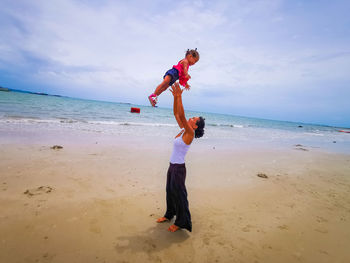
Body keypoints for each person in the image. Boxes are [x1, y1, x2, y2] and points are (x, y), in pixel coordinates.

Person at [156, 81, 205, 232]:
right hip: (172, 166)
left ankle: (182, 222)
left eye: (193, 119)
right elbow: (177, 114)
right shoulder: (184, 130)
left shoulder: (189, 133)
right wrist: (175, 98)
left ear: (195, 126)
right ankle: (169, 214)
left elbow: (182, 115)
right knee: (169, 192)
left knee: (179, 195)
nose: (190, 119)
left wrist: (179, 96)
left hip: (179, 169)